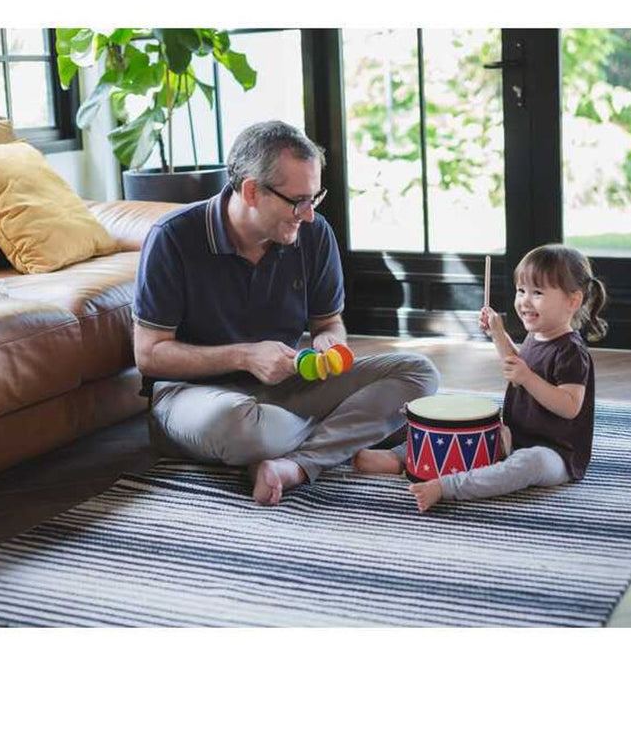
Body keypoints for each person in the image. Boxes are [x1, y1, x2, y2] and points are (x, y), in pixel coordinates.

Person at [132, 120, 439, 506]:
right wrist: (244, 355)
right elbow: (149, 354)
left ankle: (294, 464)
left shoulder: (313, 233)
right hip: (196, 399)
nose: (308, 214)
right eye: (298, 201)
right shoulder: (173, 237)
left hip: (283, 391)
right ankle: (349, 433)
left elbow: (328, 322)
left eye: (315, 198)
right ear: (251, 191)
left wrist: (331, 342)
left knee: (418, 373)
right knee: (248, 430)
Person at [355, 244, 608, 513]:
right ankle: (400, 458)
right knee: (464, 430)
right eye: (521, 291)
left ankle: (447, 487)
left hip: (555, 453)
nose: (524, 300)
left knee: (527, 464)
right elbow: (516, 363)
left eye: (537, 293)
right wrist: (497, 333)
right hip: (514, 436)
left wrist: (528, 378)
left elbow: (569, 406)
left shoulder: (572, 351)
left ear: (573, 301)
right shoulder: (537, 336)